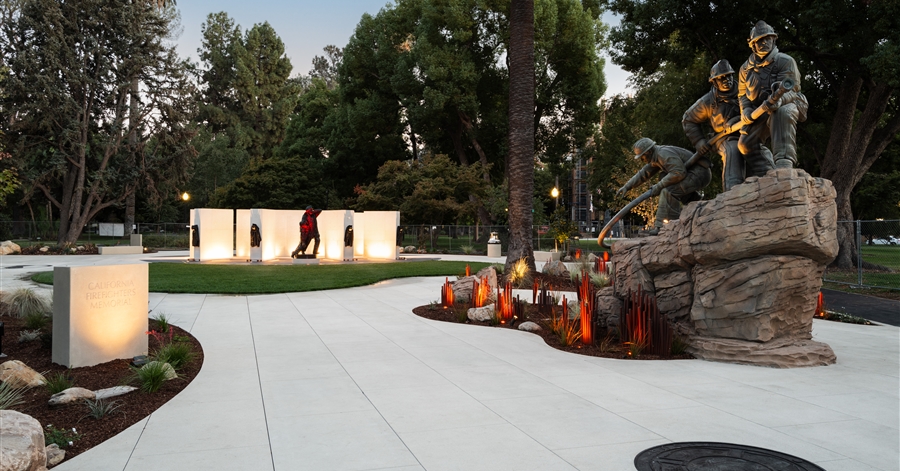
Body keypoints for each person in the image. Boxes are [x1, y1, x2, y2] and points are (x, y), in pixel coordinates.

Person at [683, 59, 766, 191]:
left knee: (760, 153)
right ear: (714, 82)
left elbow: (758, 109)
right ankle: (732, 191)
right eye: (721, 78)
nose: (726, 80)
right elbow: (688, 120)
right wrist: (699, 141)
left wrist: (736, 120)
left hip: (749, 133)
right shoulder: (708, 101)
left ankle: (768, 183)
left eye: (728, 76)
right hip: (723, 138)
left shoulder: (745, 91)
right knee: (733, 150)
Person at [737, 20, 808, 170]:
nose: (764, 42)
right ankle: (768, 173)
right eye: (760, 40)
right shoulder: (745, 69)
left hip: (787, 103)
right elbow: (742, 94)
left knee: (782, 112)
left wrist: (780, 100)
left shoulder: (785, 61)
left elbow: (792, 90)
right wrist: (746, 109)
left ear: (774, 39)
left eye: (768, 38)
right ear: (752, 44)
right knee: (745, 144)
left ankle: (784, 163)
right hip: (760, 110)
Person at [616, 138, 712, 235]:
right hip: (692, 173)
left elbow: (679, 173)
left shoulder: (663, 154)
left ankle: (666, 226)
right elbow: (644, 173)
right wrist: (627, 186)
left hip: (699, 174)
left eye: (642, 156)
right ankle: (694, 201)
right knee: (663, 177)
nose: (642, 159)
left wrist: (658, 186)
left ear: (649, 152)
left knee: (668, 191)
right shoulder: (655, 157)